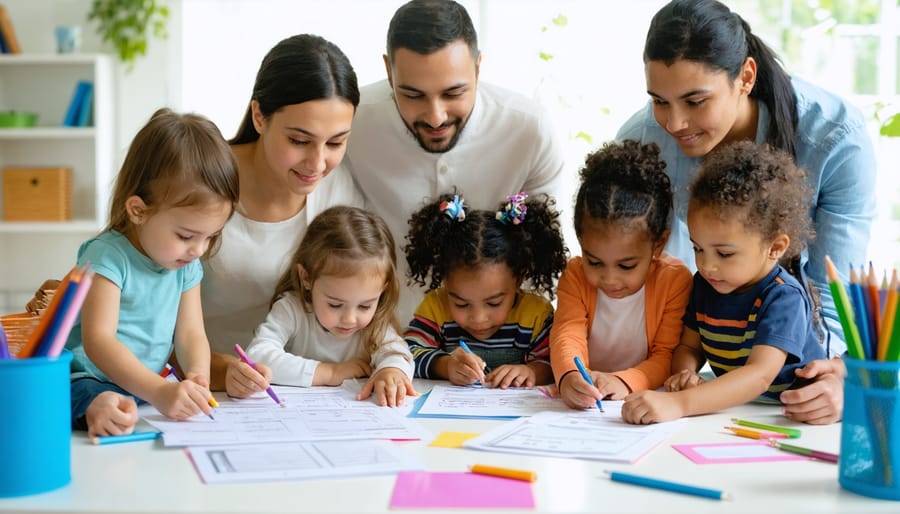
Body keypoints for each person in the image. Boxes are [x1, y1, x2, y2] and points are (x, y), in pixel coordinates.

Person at [616, 0, 876, 424]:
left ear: (746, 78)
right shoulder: (642, 140)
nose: (675, 123)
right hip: (710, 388)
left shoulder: (835, 136)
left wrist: (837, 377)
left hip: (787, 392)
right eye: (659, 101)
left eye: (695, 101)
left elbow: (831, 291)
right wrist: (675, 371)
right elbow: (660, 279)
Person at [341, 0, 565, 322]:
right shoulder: (351, 125)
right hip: (384, 336)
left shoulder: (530, 132)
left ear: (478, 67)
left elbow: (541, 257)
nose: (435, 117)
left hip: (503, 344)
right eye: (413, 95)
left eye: (453, 93)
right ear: (389, 71)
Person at [202, 34, 365, 398]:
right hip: (206, 391)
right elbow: (146, 317)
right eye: (299, 140)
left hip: (305, 393)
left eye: (336, 142)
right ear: (259, 116)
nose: (318, 163)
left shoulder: (340, 189)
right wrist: (221, 368)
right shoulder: (202, 180)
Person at [621, 141, 828, 424]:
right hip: (739, 410)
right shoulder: (706, 285)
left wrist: (679, 403)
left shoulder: (783, 298)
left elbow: (759, 376)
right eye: (698, 248)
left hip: (792, 415)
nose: (707, 265)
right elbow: (690, 348)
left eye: (725, 253)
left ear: (775, 247)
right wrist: (686, 374)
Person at [65, 108, 240, 437]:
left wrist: (198, 376)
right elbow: (98, 341)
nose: (199, 250)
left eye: (210, 236)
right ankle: (94, 409)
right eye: (187, 236)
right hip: (87, 378)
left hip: (144, 387)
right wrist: (158, 392)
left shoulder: (186, 265)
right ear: (138, 211)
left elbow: (190, 335)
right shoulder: (107, 257)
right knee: (96, 401)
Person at [550, 140, 692, 409]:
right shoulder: (575, 276)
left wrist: (624, 382)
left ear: (658, 245)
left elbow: (665, 356)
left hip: (643, 402)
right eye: (594, 262)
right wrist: (569, 375)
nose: (610, 279)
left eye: (626, 266)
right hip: (588, 401)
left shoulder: (674, 281)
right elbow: (567, 334)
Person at [245, 206, 416, 407]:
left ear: (382, 290)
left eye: (364, 306)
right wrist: (329, 372)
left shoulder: (375, 323)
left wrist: (391, 370)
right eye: (335, 304)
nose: (350, 319)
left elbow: (397, 353)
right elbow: (257, 356)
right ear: (306, 278)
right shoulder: (292, 309)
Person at [403, 191, 568, 388]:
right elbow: (407, 352)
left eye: (493, 303)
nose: (479, 318)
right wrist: (445, 365)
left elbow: (555, 362)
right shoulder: (435, 308)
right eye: (461, 304)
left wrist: (532, 371)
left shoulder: (535, 315)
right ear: (445, 281)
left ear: (519, 278)